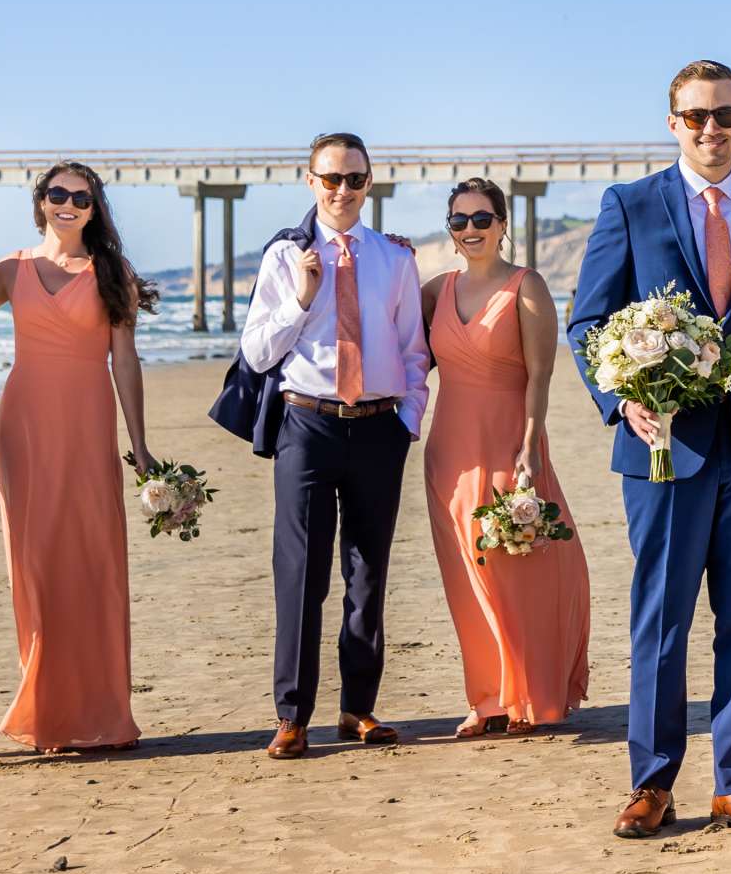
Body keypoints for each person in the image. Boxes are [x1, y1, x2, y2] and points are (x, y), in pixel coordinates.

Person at [568, 60, 731, 840]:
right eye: (698, 117)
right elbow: (588, 323)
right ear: (672, 123)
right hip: (663, 447)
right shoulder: (630, 205)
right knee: (662, 623)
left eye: (727, 115)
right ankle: (652, 782)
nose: (713, 129)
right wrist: (619, 397)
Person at [234, 133, 431, 759]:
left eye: (354, 180)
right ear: (310, 181)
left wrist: (407, 421)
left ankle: (357, 709)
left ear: (370, 184)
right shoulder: (284, 257)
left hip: (378, 427)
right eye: (330, 179)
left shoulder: (395, 258)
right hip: (308, 425)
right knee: (300, 574)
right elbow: (258, 352)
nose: (342, 190)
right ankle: (293, 715)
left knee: (367, 573)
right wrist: (301, 298)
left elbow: (412, 351)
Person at [0, 163, 158, 753]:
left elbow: (125, 363)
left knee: (92, 561)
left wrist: (138, 443)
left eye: (80, 198)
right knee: (33, 564)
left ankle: (102, 712)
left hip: (88, 427)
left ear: (93, 208)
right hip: (25, 428)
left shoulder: (113, 273)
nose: (68, 205)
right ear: (40, 202)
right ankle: (48, 714)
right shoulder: (10, 270)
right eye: (57, 194)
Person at [421, 177, 591, 738]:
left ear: (502, 225)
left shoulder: (527, 286)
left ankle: (533, 694)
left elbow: (541, 375)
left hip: (508, 441)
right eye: (459, 221)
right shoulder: (435, 292)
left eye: (481, 219)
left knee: (519, 570)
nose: (470, 230)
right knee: (468, 575)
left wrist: (530, 446)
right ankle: (488, 698)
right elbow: (397, 354)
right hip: (450, 450)